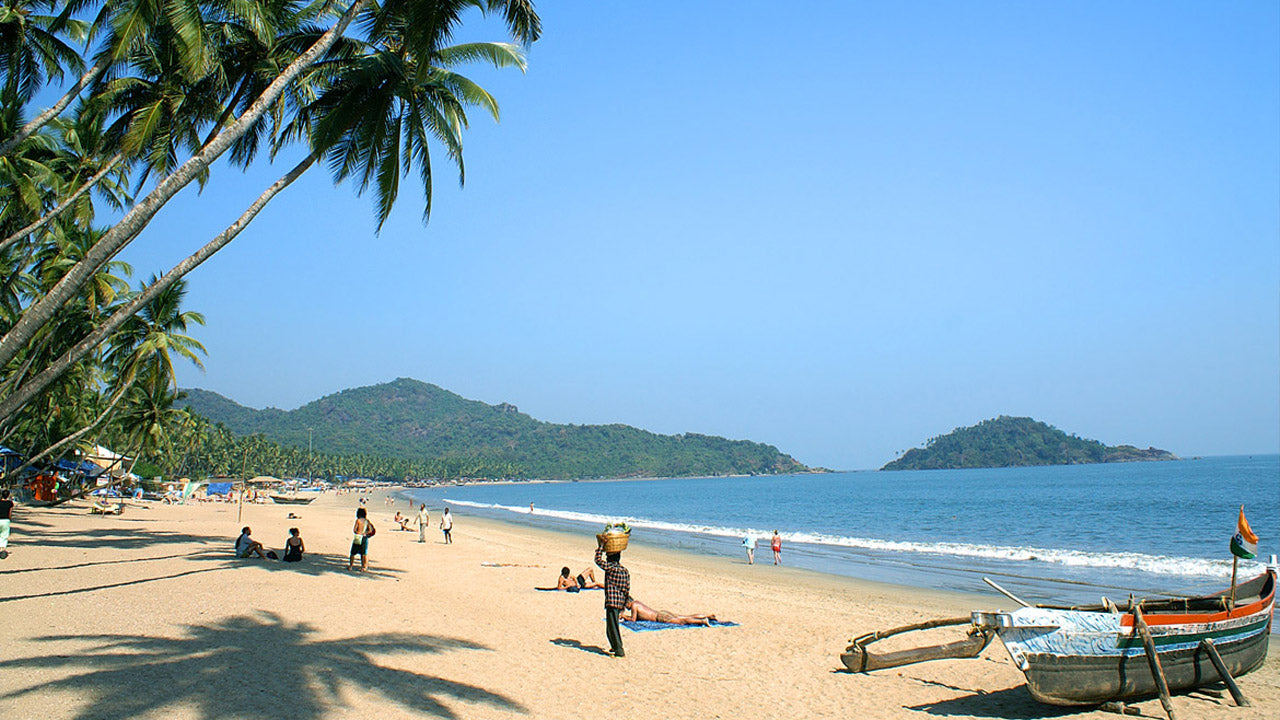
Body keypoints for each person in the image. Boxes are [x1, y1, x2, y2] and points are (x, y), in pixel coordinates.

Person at [595, 536, 630, 658]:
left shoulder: (611, 568)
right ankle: (615, 647)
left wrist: (601, 546)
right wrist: (624, 605)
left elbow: (597, 560)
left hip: (612, 601)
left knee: (612, 627)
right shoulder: (624, 571)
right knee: (612, 626)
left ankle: (619, 649)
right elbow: (626, 589)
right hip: (619, 601)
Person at [622, 598, 717, 626]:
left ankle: (702, 621)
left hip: (660, 618)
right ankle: (707, 616)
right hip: (661, 613)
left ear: (628, 603)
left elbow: (633, 620)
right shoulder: (637, 603)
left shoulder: (634, 606)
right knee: (684, 616)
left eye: (626, 606)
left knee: (682, 621)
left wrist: (624, 616)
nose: (626, 608)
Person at [0, 489, 13, 560]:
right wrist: (9, 519)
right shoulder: (10, 503)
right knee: (4, 535)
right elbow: (10, 513)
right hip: (5, 520)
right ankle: (2, 549)